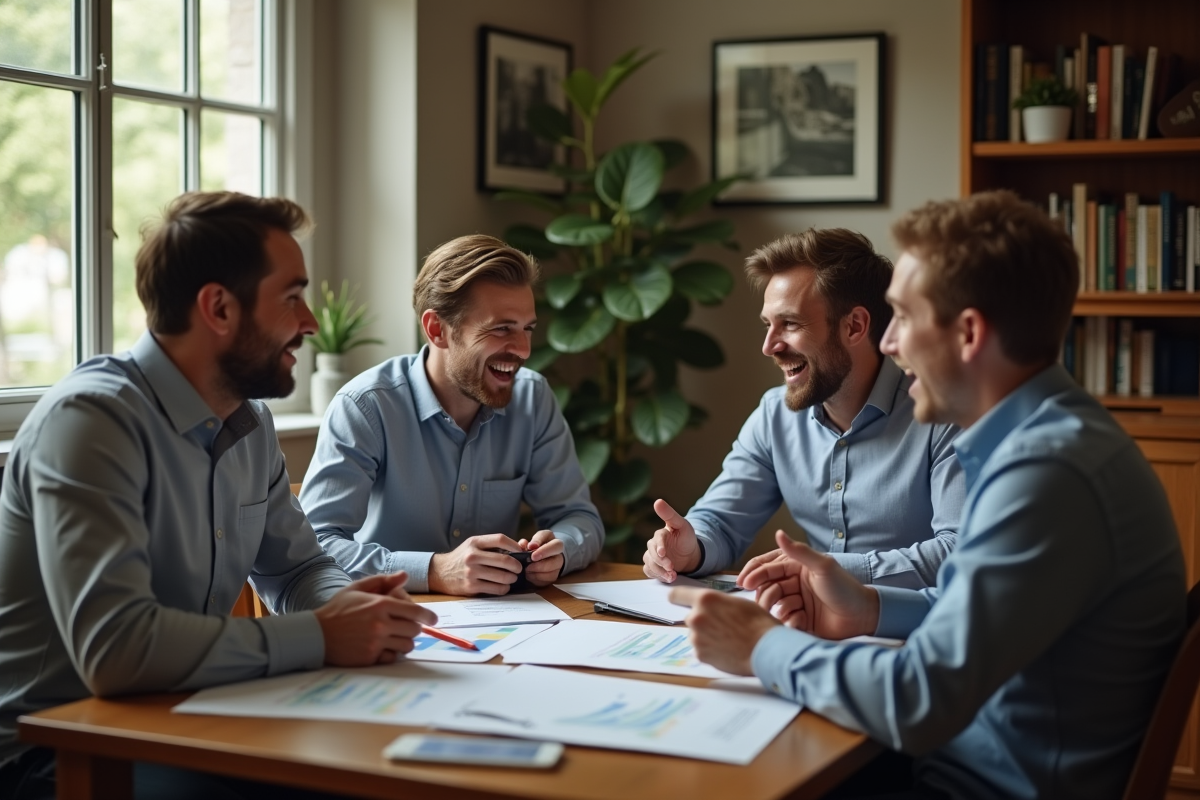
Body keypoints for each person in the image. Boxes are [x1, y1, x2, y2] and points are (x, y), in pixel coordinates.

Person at [671, 190, 1186, 800]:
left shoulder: (1045, 472)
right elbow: (970, 608)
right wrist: (869, 608)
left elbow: (918, 699)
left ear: (968, 333)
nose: (889, 343)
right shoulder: (1042, 440)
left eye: (905, 318)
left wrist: (762, 647)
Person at [0, 191, 436, 800]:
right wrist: (324, 636)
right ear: (219, 308)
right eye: (292, 298)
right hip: (55, 752)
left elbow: (300, 566)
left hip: (183, 718)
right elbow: (117, 650)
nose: (310, 322)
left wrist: (352, 608)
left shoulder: (248, 422)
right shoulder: (92, 422)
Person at [644, 228, 964, 590]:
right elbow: (719, 520)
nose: (769, 346)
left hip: (919, 633)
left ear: (855, 326)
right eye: (768, 325)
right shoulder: (774, 415)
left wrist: (828, 569)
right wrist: (691, 549)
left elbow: (957, 552)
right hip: (812, 628)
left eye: (790, 324)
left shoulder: (945, 414)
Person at [300, 234, 602, 596]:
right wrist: (434, 570)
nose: (523, 350)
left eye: (527, 329)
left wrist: (560, 550)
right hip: (389, 622)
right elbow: (315, 546)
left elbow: (580, 518)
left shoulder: (532, 398)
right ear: (437, 330)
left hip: (506, 628)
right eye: (502, 328)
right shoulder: (365, 407)